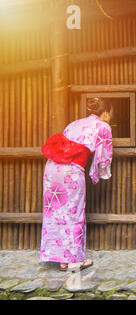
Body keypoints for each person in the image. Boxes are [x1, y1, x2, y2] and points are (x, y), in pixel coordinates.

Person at [40, 97, 113, 271]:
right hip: (70, 171)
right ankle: (74, 261)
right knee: (73, 212)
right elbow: (103, 156)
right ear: (105, 113)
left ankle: (62, 259)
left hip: (51, 168)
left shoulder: (74, 124)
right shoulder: (103, 126)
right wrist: (100, 172)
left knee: (55, 213)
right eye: (111, 114)